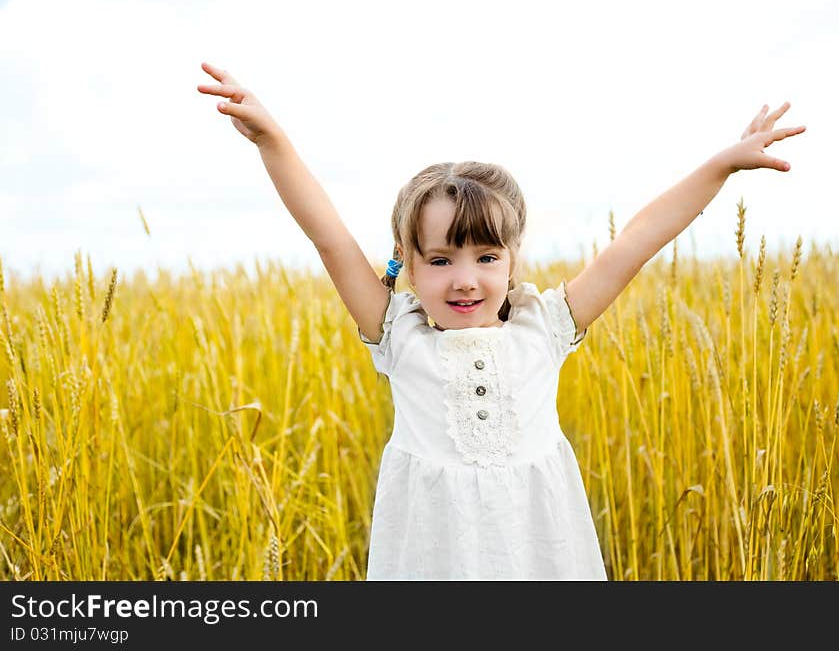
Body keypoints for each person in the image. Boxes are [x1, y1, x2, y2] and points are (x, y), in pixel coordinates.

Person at [197, 62, 806, 580]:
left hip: (541, 553)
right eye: (440, 260)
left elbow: (635, 243)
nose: (465, 278)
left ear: (513, 259)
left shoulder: (546, 327)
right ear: (406, 264)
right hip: (433, 558)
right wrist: (272, 140)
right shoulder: (397, 332)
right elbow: (328, 237)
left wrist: (721, 166)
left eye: (487, 257)